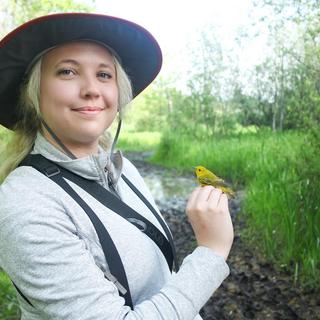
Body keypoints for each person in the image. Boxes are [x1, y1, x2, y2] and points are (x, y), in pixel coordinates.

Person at [0, 13, 234, 319]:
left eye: (104, 75)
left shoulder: (126, 171)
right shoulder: (24, 205)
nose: (91, 89)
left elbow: (162, 282)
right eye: (68, 71)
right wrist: (211, 252)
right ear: (33, 94)